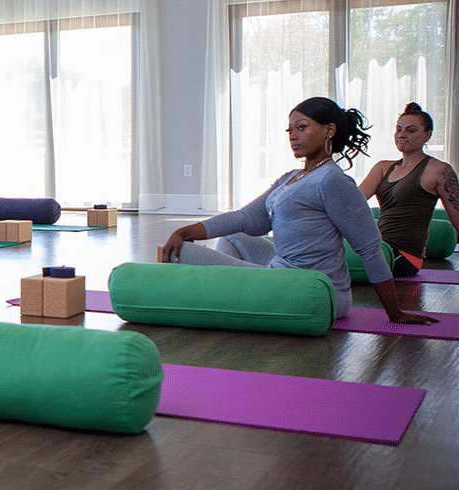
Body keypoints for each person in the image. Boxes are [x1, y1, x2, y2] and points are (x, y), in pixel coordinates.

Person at [161, 96, 432, 324]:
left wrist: (394, 313)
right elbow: (246, 218)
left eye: (301, 127)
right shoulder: (292, 177)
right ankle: (241, 297)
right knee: (233, 236)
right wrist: (185, 230)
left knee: (181, 253)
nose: (293, 136)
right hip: (284, 273)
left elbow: (370, 248)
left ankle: (237, 297)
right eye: (290, 130)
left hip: (316, 290)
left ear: (329, 130)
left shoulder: (332, 180)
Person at [357, 102, 459, 277]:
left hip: (406, 257)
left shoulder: (439, 170)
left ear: (427, 135)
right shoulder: (382, 168)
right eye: (399, 129)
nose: (401, 135)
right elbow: (352, 203)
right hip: (380, 247)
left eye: (410, 130)